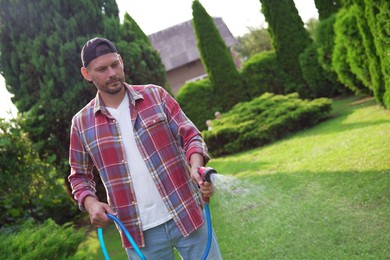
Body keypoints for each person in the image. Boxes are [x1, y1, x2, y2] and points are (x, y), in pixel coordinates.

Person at [68, 37, 222, 259]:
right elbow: (79, 177)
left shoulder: (155, 95)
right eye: (101, 69)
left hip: (187, 211)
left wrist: (196, 167)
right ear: (87, 74)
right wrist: (91, 203)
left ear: (121, 61)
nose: (111, 73)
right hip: (138, 233)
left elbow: (190, 135)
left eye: (114, 64)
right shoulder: (81, 123)